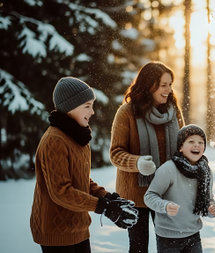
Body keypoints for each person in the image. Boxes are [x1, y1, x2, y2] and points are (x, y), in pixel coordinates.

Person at [30, 77, 138, 253]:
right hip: (56, 232)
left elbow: (81, 181)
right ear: (69, 108)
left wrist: (109, 198)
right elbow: (61, 192)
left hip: (78, 227)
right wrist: (104, 207)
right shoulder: (54, 141)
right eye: (87, 106)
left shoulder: (78, 137)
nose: (93, 112)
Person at [110, 62, 185, 253]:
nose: (168, 90)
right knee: (138, 247)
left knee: (169, 245)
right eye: (163, 85)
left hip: (166, 192)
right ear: (149, 85)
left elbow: (182, 148)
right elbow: (116, 153)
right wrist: (137, 163)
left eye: (170, 84)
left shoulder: (173, 111)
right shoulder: (126, 113)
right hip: (136, 194)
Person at [144, 124, 215, 253]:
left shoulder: (205, 171)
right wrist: (165, 206)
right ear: (180, 147)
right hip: (168, 237)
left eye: (201, 142)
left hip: (193, 235)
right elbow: (149, 196)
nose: (197, 145)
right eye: (191, 141)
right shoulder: (168, 169)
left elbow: (208, 200)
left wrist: (211, 208)